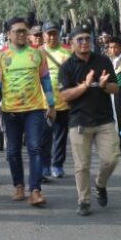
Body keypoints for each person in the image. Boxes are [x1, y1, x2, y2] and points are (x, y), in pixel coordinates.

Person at [0, 16, 56, 207]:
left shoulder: (37, 54)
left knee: (35, 147)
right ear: (9, 34)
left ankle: (35, 191)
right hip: (10, 111)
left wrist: (51, 105)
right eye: (17, 31)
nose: (21, 34)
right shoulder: (1, 55)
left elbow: (45, 80)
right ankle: (18, 185)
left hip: (35, 109)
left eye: (24, 31)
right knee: (12, 151)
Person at [58, 24, 120, 216]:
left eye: (87, 39)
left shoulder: (103, 61)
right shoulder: (67, 67)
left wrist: (103, 85)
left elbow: (115, 88)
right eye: (80, 39)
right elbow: (65, 96)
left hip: (104, 120)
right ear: (71, 43)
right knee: (82, 165)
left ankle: (100, 184)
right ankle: (83, 200)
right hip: (79, 122)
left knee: (111, 159)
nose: (84, 43)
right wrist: (84, 86)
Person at [40, 21, 72, 179]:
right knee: (44, 137)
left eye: (54, 33)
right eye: (49, 34)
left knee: (60, 136)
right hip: (43, 103)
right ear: (44, 35)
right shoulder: (38, 52)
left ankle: (57, 165)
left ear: (59, 34)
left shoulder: (67, 52)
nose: (52, 37)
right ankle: (45, 166)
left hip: (64, 102)